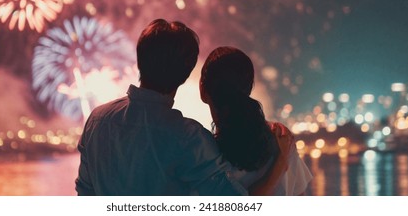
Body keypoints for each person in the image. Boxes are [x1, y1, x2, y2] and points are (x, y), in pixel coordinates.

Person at [75, 19, 292, 195]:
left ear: (139, 61)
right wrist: (282, 162)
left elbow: (85, 192)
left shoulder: (97, 120)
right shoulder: (189, 138)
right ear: (187, 75)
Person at [200, 46, 312, 195]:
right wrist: (281, 161)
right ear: (249, 88)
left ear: (203, 90)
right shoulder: (281, 138)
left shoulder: (203, 150)